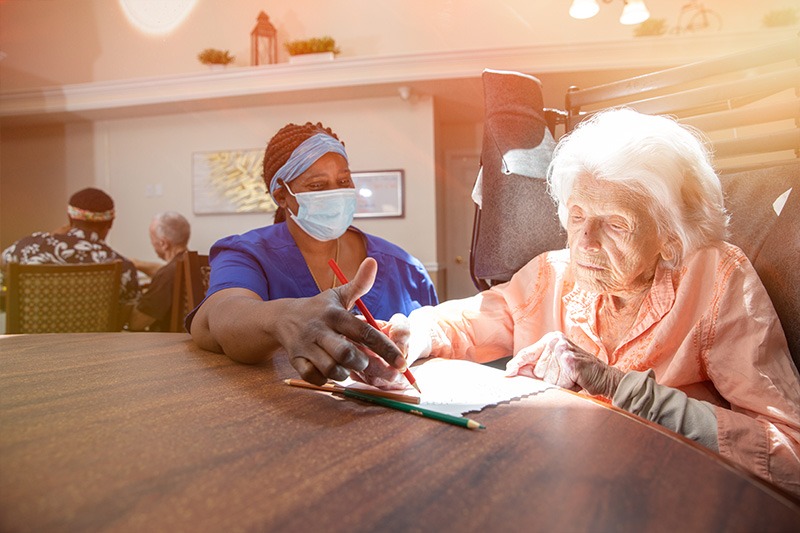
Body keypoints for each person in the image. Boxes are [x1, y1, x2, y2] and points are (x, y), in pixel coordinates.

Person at [355, 109, 800, 497]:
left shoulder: (714, 277)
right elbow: (469, 322)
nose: (584, 243)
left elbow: (789, 454)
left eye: (616, 224)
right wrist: (413, 334)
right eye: (577, 216)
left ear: (670, 237)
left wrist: (616, 386)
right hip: (549, 483)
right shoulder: (554, 271)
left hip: (667, 493)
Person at [188, 121, 438, 384]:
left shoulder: (405, 269)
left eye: (343, 180)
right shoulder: (248, 255)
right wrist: (283, 319)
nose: (336, 193)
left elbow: (438, 336)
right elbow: (213, 319)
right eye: (318, 186)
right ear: (282, 195)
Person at [1, 187, 140, 314]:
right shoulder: (124, 268)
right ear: (110, 223)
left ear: (69, 218)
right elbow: (125, 315)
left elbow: (3, 262)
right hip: (92, 341)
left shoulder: (30, 246)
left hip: (33, 340)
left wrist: (48, 239)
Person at [127, 211, 191, 331]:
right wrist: (137, 263)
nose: (152, 244)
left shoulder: (167, 275)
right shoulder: (193, 264)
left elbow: (136, 323)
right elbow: (164, 270)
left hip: (167, 343)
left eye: (152, 239)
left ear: (163, 243)